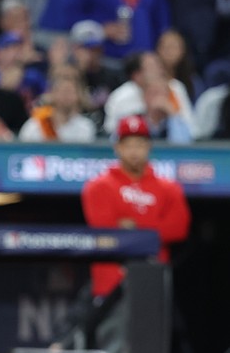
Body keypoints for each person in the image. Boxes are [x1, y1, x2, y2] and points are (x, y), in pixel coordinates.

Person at [82, 114, 190, 299]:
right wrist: (152, 228)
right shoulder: (98, 186)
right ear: (118, 148)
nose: (134, 151)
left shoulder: (168, 188)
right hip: (111, 284)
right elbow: (105, 229)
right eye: (128, 145)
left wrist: (135, 226)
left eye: (139, 144)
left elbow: (179, 228)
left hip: (153, 279)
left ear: (148, 146)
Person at [18, 70, 97, 142]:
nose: (66, 96)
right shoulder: (35, 125)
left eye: (71, 92)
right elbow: (21, 153)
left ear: (78, 96)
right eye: (63, 91)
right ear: (52, 94)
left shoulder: (85, 127)